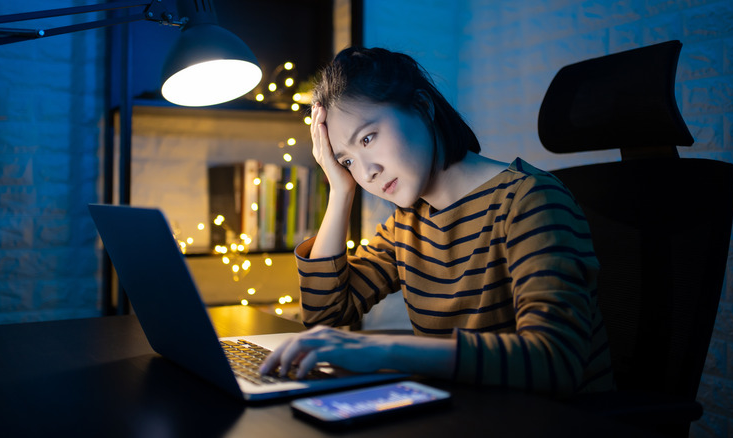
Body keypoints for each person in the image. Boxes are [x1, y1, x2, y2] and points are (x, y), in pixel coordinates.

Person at [260, 47, 613, 396]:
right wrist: (340, 190)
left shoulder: (530, 200)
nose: (367, 172)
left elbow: (553, 362)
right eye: (348, 161)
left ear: (422, 106)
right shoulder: (407, 223)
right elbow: (325, 315)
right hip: (465, 415)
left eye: (368, 138)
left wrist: (386, 351)